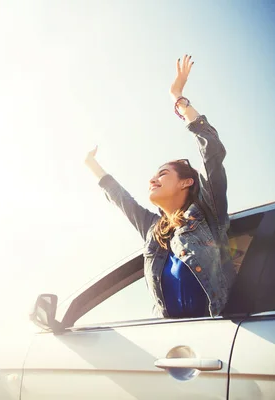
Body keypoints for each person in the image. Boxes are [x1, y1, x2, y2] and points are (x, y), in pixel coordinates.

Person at [85, 55, 236, 318]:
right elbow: (121, 199)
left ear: (187, 182)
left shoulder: (208, 216)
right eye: (154, 175)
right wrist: (90, 164)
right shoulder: (153, 230)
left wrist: (177, 96)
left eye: (163, 174)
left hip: (220, 338)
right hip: (176, 346)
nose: (152, 180)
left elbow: (211, 151)